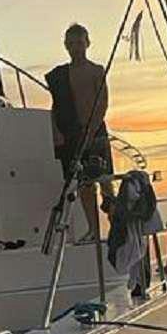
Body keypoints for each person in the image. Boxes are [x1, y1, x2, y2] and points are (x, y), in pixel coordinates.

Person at [46, 23, 113, 242]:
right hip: (72, 134)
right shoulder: (60, 75)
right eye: (72, 44)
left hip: (96, 132)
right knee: (84, 184)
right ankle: (93, 230)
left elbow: (102, 103)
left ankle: (115, 226)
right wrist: (56, 131)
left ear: (88, 43)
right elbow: (56, 106)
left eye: (80, 43)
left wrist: (91, 130)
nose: (76, 47)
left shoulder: (96, 70)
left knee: (105, 180)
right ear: (66, 46)